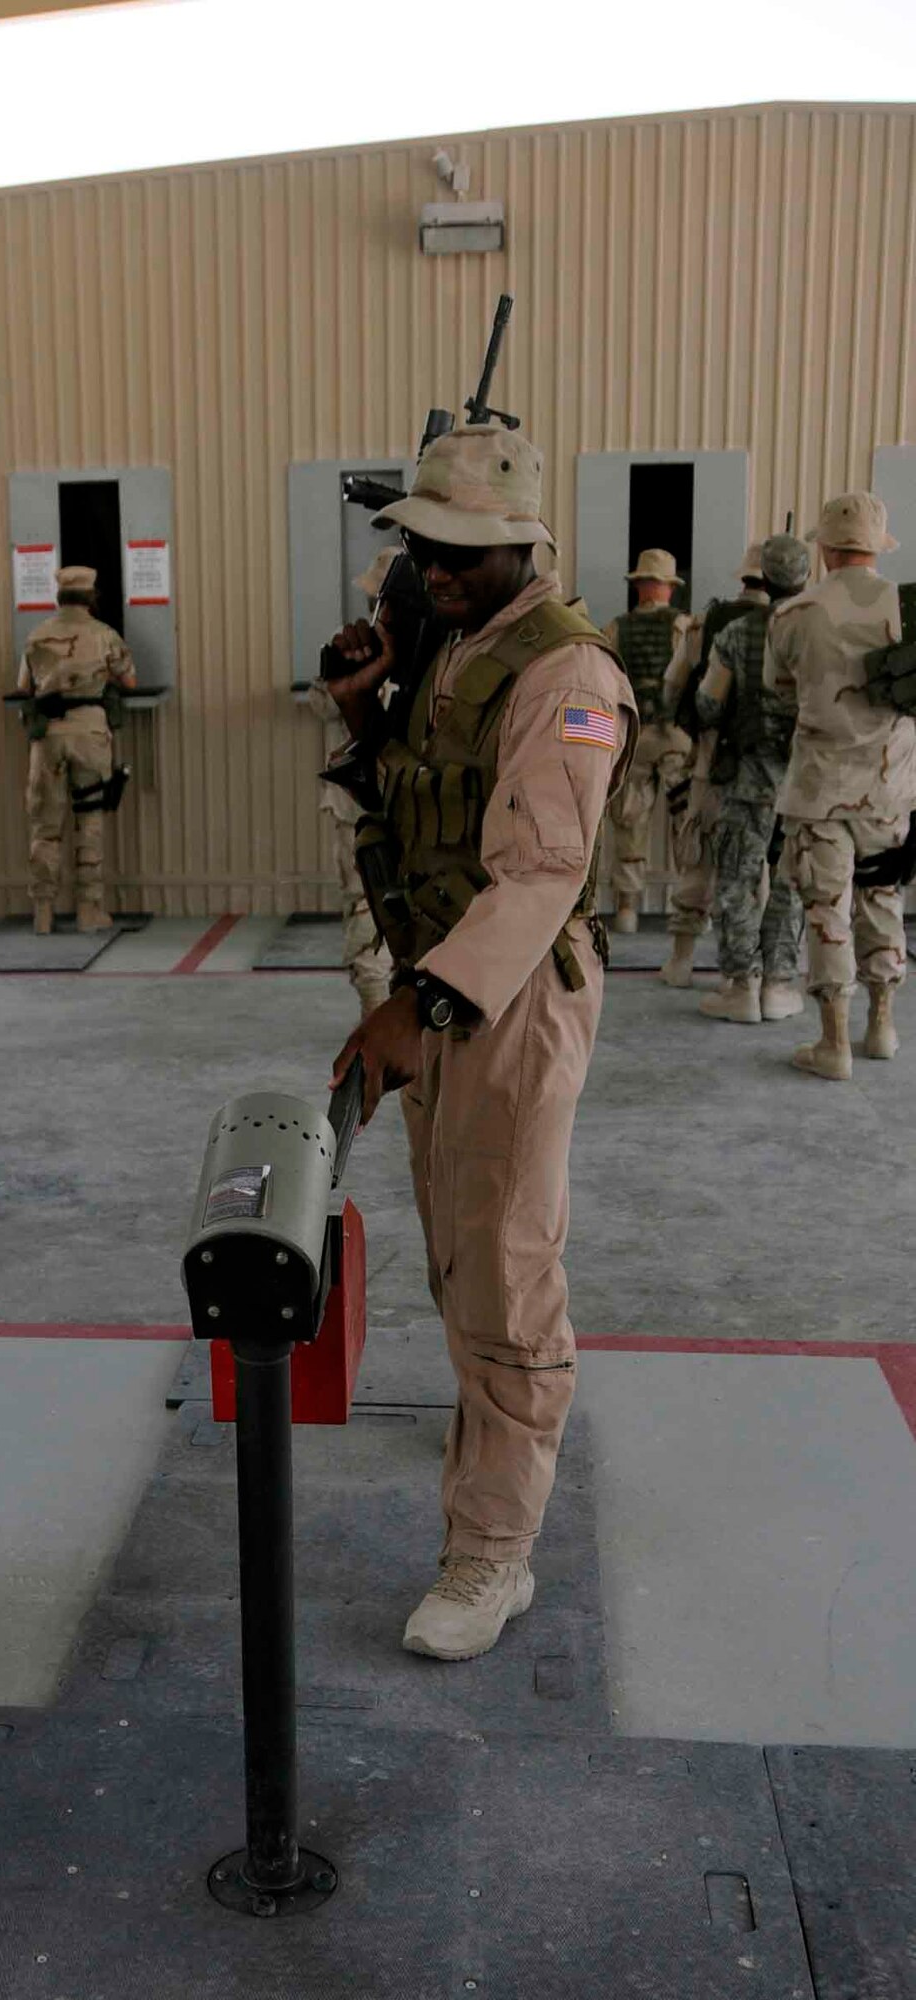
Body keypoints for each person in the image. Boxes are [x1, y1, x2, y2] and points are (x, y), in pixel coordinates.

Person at [326, 424, 636, 1662]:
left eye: (463, 550)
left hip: (500, 1002)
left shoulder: (564, 675)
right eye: (419, 544)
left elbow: (541, 874)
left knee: (505, 1272)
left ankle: (491, 1553)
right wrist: (367, 719)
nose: (434, 569)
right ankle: (488, 1475)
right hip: (442, 992)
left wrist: (418, 1004)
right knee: (462, 1255)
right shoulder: (457, 648)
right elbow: (421, 809)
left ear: (527, 543)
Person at [766, 492, 916, 1079]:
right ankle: (882, 1028)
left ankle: (834, 1046)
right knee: (882, 901)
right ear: (877, 548)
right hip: (892, 790)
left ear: (823, 549)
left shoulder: (792, 615)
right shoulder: (908, 607)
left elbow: (778, 693)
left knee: (826, 910)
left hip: (819, 789)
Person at [693, 533, 810, 1023]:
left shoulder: (738, 633)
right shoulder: (816, 632)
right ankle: (780, 984)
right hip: (808, 781)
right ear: (804, 578)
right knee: (794, 881)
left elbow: (708, 705)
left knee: (738, 880)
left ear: (761, 577)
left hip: (750, 779)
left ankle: (742, 985)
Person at [655, 545, 767, 988]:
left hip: (710, 760)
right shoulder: (788, 623)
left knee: (697, 857)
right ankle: (740, 974)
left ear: (743, 577)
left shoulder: (706, 622)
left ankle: (681, 962)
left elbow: (671, 685)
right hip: (766, 773)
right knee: (752, 867)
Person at [16, 566, 137, 934]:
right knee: (90, 820)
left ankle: (43, 912)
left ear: (59, 598)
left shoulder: (37, 637)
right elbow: (130, 679)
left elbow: (24, 688)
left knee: (46, 825)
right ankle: (89, 910)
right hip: (89, 736)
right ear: (91, 598)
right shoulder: (104, 636)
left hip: (48, 738)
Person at [305, 548, 395, 1017]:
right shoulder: (444, 648)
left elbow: (321, 707)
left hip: (360, 797)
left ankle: (377, 1009)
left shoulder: (357, 646)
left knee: (365, 902)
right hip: (405, 792)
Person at [603, 549, 692, 936]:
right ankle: (688, 910)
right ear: (669, 589)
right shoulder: (685, 627)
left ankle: (627, 908)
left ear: (638, 585)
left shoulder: (615, 628)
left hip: (635, 734)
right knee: (686, 822)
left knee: (629, 820)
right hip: (676, 735)